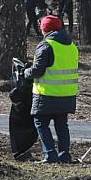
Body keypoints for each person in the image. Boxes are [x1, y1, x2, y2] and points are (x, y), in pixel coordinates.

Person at [23, 15, 78, 163]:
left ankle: (50, 154)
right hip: (67, 94)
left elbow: (37, 71)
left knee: (40, 123)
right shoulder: (72, 46)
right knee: (61, 124)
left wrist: (26, 72)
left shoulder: (46, 45)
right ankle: (65, 155)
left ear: (45, 29)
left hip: (46, 94)